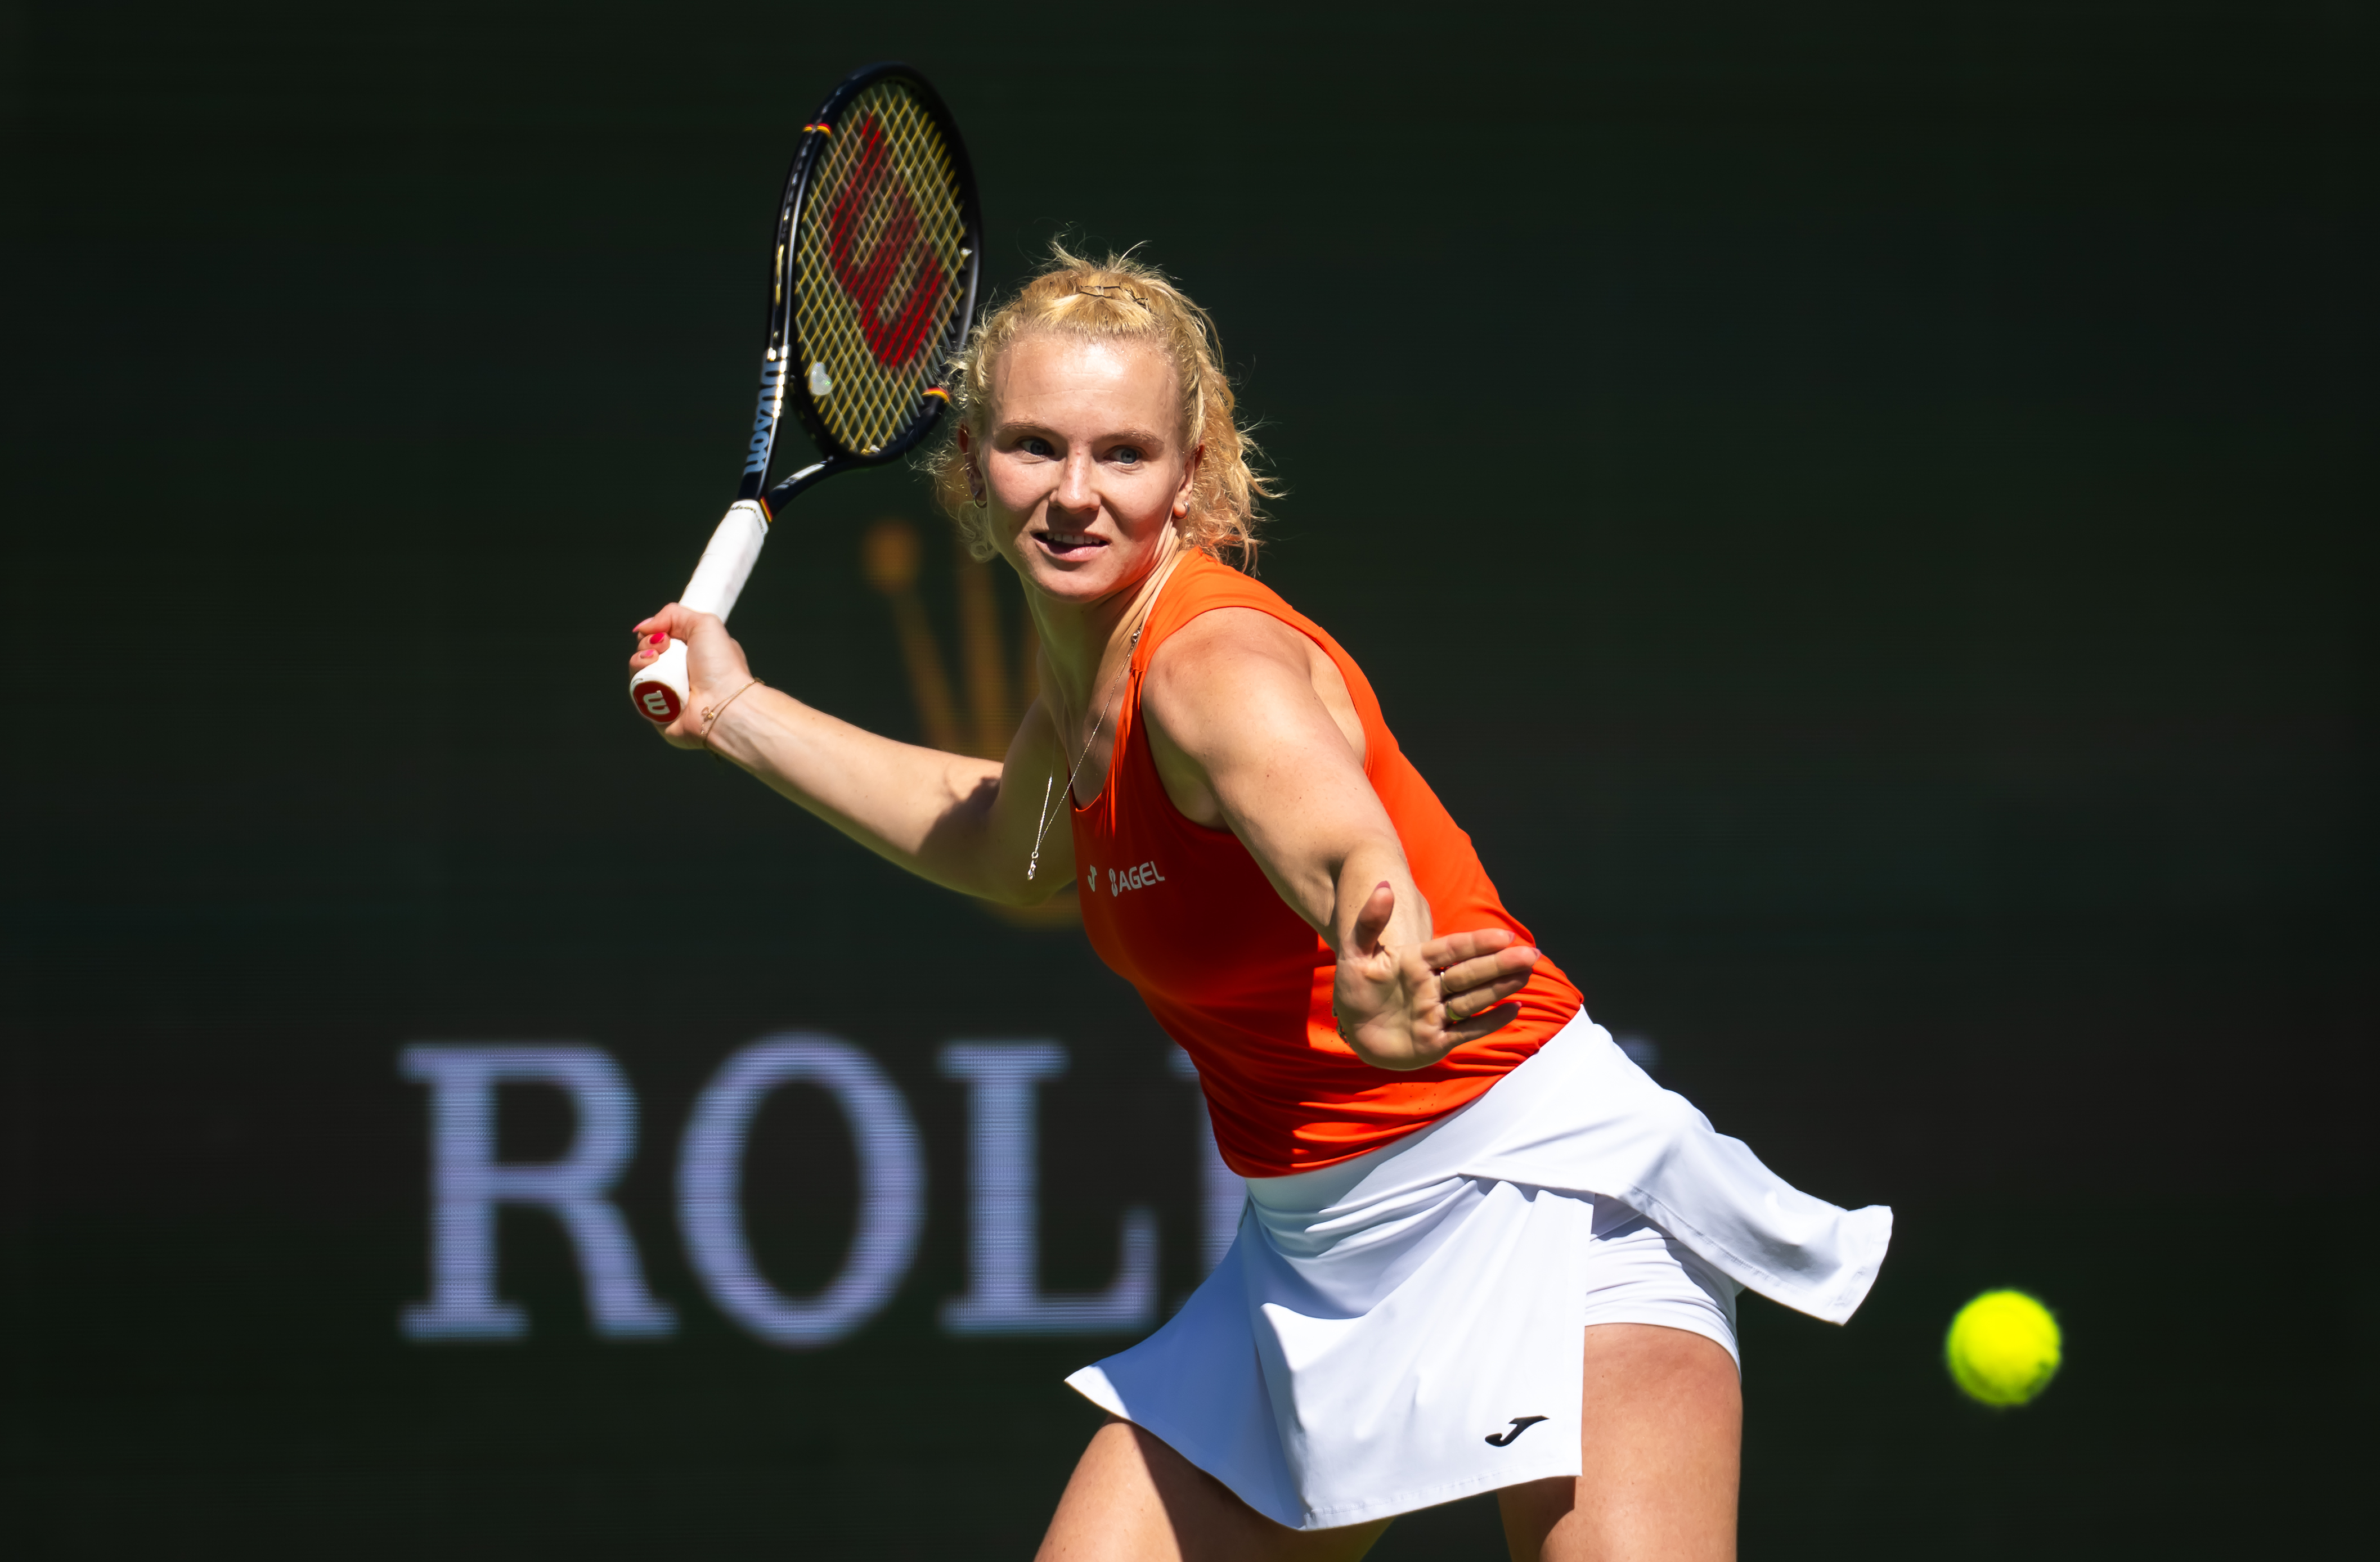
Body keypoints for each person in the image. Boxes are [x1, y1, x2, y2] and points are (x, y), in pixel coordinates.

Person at [631, 248, 1888, 1561]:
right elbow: (1015, 847)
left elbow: (1340, 842)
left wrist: (1380, 952)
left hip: (1544, 1195)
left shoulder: (1209, 663)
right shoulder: (1081, 680)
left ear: (1192, 473)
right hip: (1314, 1249)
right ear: (970, 465)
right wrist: (730, 711)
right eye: (1032, 447)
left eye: (1121, 454)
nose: (1072, 494)